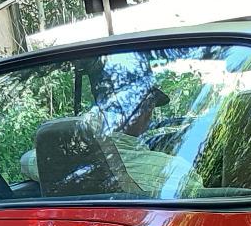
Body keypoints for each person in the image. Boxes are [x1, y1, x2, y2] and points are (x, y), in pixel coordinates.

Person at [21, 54, 202, 196]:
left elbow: (26, 160)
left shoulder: (61, 161)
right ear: (147, 109)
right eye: (151, 105)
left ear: (100, 106)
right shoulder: (175, 171)